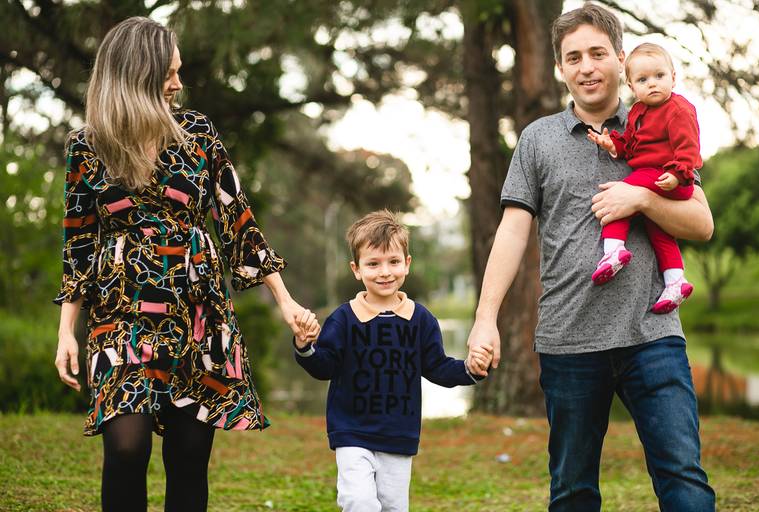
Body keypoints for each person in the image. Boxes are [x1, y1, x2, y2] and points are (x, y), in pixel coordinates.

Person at [53, 17, 319, 512]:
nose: (178, 83)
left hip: (197, 312)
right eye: (168, 73)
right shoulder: (86, 146)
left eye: (178, 71)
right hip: (121, 312)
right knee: (126, 447)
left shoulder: (197, 133)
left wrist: (285, 301)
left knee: (189, 456)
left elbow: (237, 218)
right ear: (136, 75)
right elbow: (79, 244)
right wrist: (66, 330)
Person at [465, 4, 716, 511]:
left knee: (684, 480)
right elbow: (512, 232)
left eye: (598, 54)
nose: (586, 67)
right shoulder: (538, 139)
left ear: (621, 59)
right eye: (574, 57)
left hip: (652, 337)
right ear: (560, 67)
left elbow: (702, 223)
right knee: (573, 490)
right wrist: (485, 318)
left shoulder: (660, 118)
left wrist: (641, 198)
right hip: (569, 341)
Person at [294, 210, 492, 512]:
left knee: (393, 507)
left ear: (407, 264)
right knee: (358, 501)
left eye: (393, 262)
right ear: (356, 269)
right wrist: (305, 346)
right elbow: (325, 367)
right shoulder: (344, 319)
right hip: (351, 430)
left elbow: (437, 367)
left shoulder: (421, 320)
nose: (384, 272)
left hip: (399, 433)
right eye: (373, 263)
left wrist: (471, 370)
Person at [587, 42, 702, 314]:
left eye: (659, 76)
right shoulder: (638, 111)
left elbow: (689, 148)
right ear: (631, 86)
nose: (652, 84)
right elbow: (631, 145)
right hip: (652, 176)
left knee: (619, 196)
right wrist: (612, 144)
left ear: (673, 77)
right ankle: (675, 281)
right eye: (642, 80)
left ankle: (613, 250)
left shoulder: (678, 109)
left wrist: (677, 174)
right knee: (657, 229)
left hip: (668, 176)